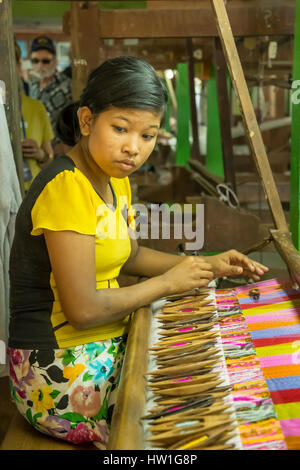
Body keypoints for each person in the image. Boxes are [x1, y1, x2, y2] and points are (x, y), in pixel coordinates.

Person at [7, 56, 268, 448]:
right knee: (191, 418)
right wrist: (167, 283)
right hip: (56, 370)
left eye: (148, 135)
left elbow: (129, 256)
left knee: (218, 375)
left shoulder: (115, 180)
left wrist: (204, 264)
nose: (134, 148)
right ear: (86, 121)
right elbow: (84, 310)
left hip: (104, 343)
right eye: (120, 129)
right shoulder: (65, 187)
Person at [15, 41, 54, 190]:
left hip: (31, 191)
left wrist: (40, 154)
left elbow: (49, 159)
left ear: (18, 67)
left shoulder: (36, 108)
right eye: (35, 61)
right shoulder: (34, 86)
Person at [28, 35, 72, 156]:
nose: (40, 65)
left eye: (45, 61)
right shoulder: (32, 84)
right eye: (35, 61)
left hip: (60, 150)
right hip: (36, 150)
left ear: (55, 61)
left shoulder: (67, 85)